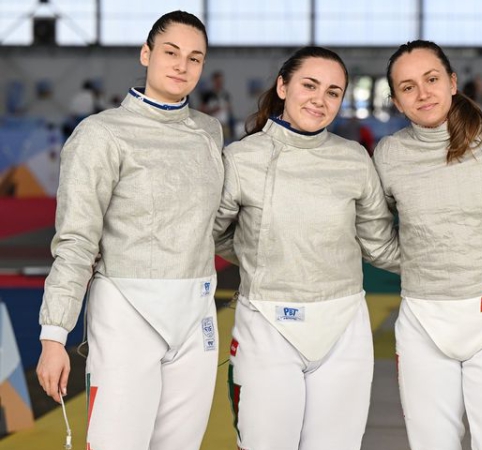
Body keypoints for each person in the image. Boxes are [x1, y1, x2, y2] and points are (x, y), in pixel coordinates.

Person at [35, 11, 223, 450]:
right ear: (146, 54)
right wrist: (54, 335)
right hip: (126, 316)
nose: (182, 65)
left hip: (196, 314)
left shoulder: (208, 132)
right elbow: (76, 241)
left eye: (194, 58)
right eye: (171, 52)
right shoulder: (101, 134)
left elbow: (215, 222)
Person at [213, 46, 400, 450]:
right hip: (267, 326)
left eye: (333, 92)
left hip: (344, 328)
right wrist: (261, 256)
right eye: (310, 85)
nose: (320, 99)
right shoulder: (241, 159)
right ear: (283, 86)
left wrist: (454, 259)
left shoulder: (353, 159)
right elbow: (212, 233)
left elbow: (380, 245)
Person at [373, 40, 482, 450]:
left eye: (432, 79)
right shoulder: (389, 155)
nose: (423, 93)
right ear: (396, 101)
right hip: (423, 319)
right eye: (408, 87)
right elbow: (373, 232)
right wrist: (420, 265)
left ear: (452, 82)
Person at [200, 70, 234, 143]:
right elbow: (201, 109)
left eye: (221, 81)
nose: (220, 83)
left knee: (226, 143)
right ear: (213, 81)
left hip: (224, 124)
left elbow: (229, 108)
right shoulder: (207, 95)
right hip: (212, 125)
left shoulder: (225, 94)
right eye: (218, 81)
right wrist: (212, 110)